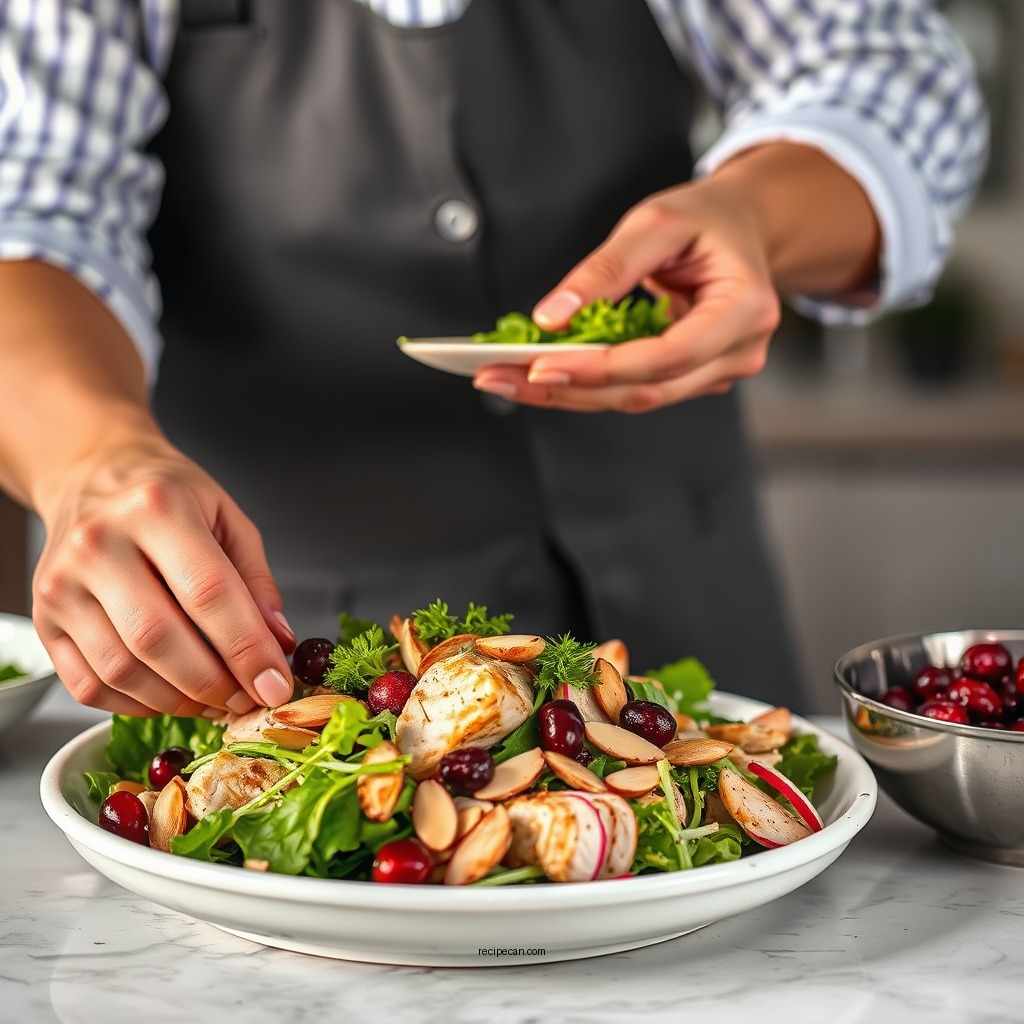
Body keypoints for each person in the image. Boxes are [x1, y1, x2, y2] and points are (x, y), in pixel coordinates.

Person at [0, 1, 986, 718]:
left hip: (691, 613)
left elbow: (888, 71)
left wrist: (754, 217)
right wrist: (94, 460)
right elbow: (32, 208)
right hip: (277, 657)